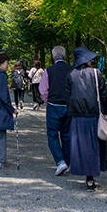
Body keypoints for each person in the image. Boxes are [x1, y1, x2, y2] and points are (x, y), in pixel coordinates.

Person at [67, 46, 107, 190]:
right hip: (94, 115)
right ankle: (91, 177)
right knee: (94, 146)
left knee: (81, 147)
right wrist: (106, 112)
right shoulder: (96, 73)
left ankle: (86, 175)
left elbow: (68, 97)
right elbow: (103, 95)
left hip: (77, 116)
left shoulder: (71, 75)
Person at [39, 46, 74, 175]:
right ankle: (68, 162)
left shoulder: (49, 70)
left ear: (53, 57)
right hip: (68, 106)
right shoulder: (72, 70)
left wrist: (47, 102)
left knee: (52, 135)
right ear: (64, 56)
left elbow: (43, 90)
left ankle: (60, 162)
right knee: (67, 135)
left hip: (54, 105)